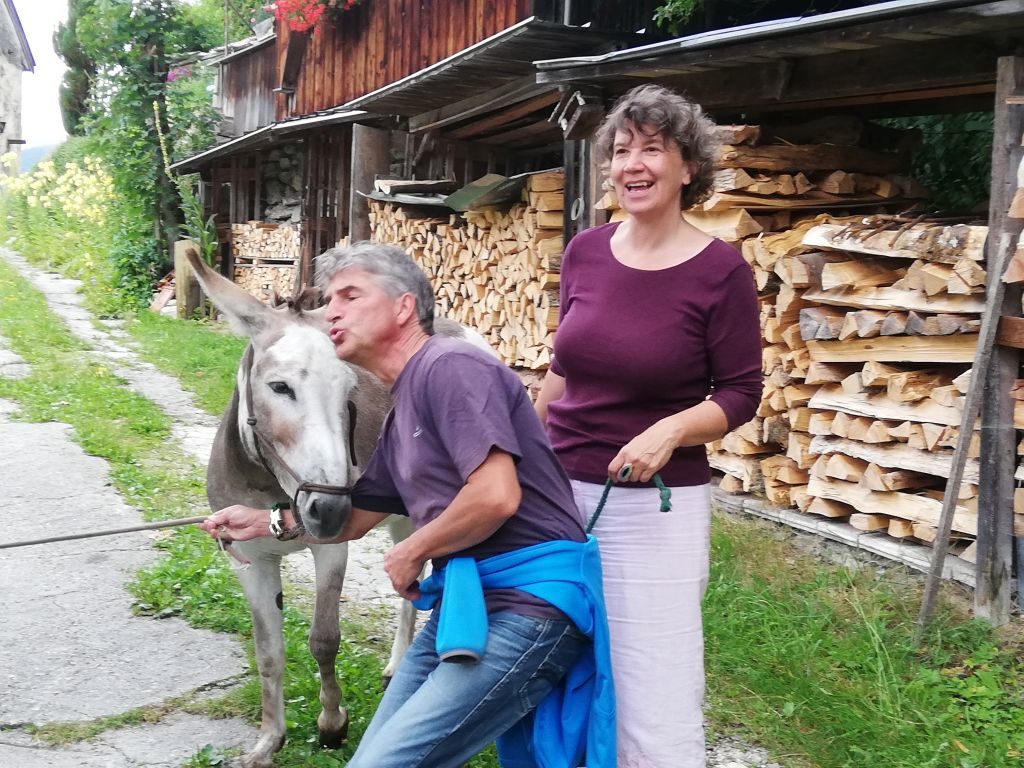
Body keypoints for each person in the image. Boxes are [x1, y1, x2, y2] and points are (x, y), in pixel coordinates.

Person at [201, 242, 615, 768]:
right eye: (330, 299)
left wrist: (411, 549)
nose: (332, 311)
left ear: (402, 308)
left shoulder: (452, 365)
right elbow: (352, 518)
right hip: (469, 602)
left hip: (530, 608)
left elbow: (496, 495)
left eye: (350, 295)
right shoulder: (405, 402)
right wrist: (263, 521)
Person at [533, 84, 763, 768]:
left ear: (687, 167)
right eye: (621, 149)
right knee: (553, 662)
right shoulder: (586, 251)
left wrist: (668, 432)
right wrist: (516, 443)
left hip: (654, 510)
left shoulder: (721, 271)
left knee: (650, 681)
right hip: (556, 492)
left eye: (652, 149)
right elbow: (564, 367)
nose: (633, 164)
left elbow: (742, 393)